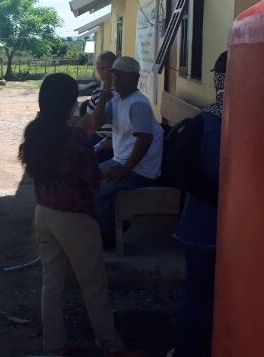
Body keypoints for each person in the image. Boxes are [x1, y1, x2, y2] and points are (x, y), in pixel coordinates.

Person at [19, 73, 141, 357]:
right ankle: (112, 346)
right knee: (93, 284)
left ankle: (54, 345)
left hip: (44, 213)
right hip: (74, 218)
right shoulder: (73, 139)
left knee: (52, 283)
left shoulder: (35, 131)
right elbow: (92, 181)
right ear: (70, 104)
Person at [166, 52, 227, 357]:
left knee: (196, 293)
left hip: (201, 229)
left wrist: (218, 200)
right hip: (243, 234)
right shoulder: (258, 122)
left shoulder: (203, 124)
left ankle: (189, 350)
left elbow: (184, 175)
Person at [92, 56, 164, 246]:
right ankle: (110, 226)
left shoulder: (137, 103)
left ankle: (109, 237)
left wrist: (125, 170)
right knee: (88, 177)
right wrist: (103, 99)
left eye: (121, 76)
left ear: (134, 78)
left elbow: (145, 138)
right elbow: (97, 123)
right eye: (114, 75)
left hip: (140, 170)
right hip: (122, 161)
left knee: (98, 188)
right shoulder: (117, 99)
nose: (116, 80)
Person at [78, 51, 117, 163]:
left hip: (115, 141)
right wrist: (72, 136)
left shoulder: (120, 93)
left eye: (110, 69)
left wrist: (114, 142)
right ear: (97, 70)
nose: (106, 73)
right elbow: (87, 119)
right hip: (99, 138)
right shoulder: (97, 92)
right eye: (102, 68)